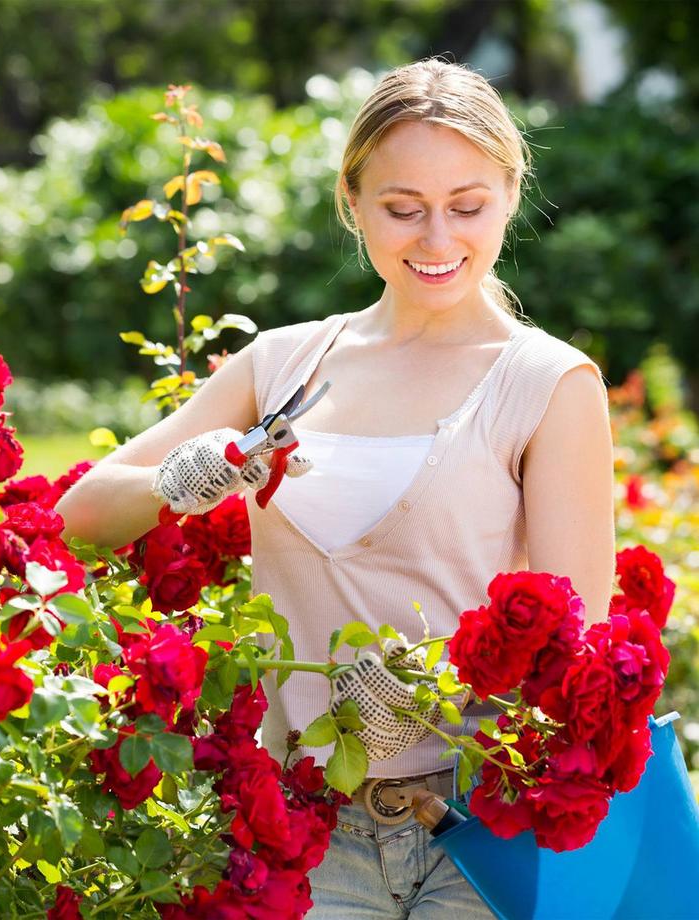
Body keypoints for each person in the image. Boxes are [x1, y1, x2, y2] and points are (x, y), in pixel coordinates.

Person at [56, 57, 615, 919]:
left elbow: (577, 645)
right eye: (402, 209)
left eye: (467, 206)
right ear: (352, 201)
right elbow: (81, 513)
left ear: (510, 193)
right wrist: (188, 476)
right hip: (304, 830)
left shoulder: (544, 384)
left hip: (475, 833)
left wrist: (435, 700)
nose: (437, 241)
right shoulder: (286, 363)